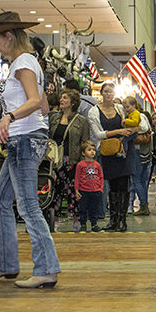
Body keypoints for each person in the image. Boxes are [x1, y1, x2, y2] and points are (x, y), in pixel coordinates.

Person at [0, 12, 60, 288]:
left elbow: (35, 101)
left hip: (24, 140)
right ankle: (6, 264)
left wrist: (8, 117)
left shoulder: (23, 63)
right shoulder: (26, 64)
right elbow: (44, 105)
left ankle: (46, 268)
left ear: (9, 37)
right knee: (0, 200)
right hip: (24, 139)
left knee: (28, 206)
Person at [87, 81, 133, 232]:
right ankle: (113, 220)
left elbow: (129, 124)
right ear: (101, 93)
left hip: (122, 151)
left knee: (123, 185)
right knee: (112, 186)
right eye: (106, 91)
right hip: (107, 151)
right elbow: (98, 134)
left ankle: (122, 220)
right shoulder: (94, 111)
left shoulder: (120, 109)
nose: (108, 94)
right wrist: (118, 132)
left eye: (111, 92)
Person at [49, 88, 90, 230]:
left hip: (72, 160)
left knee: (73, 191)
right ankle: (53, 218)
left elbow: (85, 142)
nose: (61, 100)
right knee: (55, 190)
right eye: (61, 97)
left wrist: (83, 162)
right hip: (55, 161)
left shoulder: (82, 121)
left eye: (65, 98)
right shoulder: (53, 118)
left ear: (73, 103)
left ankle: (76, 219)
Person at [122, 96, 153, 215]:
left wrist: (132, 130)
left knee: (136, 180)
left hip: (138, 152)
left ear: (134, 105)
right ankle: (143, 205)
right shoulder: (134, 116)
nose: (127, 109)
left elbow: (145, 128)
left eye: (128, 107)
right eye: (125, 107)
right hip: (142, 152)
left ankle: (144, 205)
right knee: (141, 180)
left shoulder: (139, 115)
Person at [75, 140, 104, 232]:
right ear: (83, 153)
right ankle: (83, 224)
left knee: (94, 208)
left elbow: (101, 177)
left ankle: (94, 224)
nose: (92, 152)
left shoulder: (97, 165)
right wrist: (76, 190)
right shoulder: (80, 165)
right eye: (89, 150)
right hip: (84, 191)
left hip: (95, 191)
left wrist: (100, 188)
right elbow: (77, 178)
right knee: (83, 208)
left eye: (93, 150)